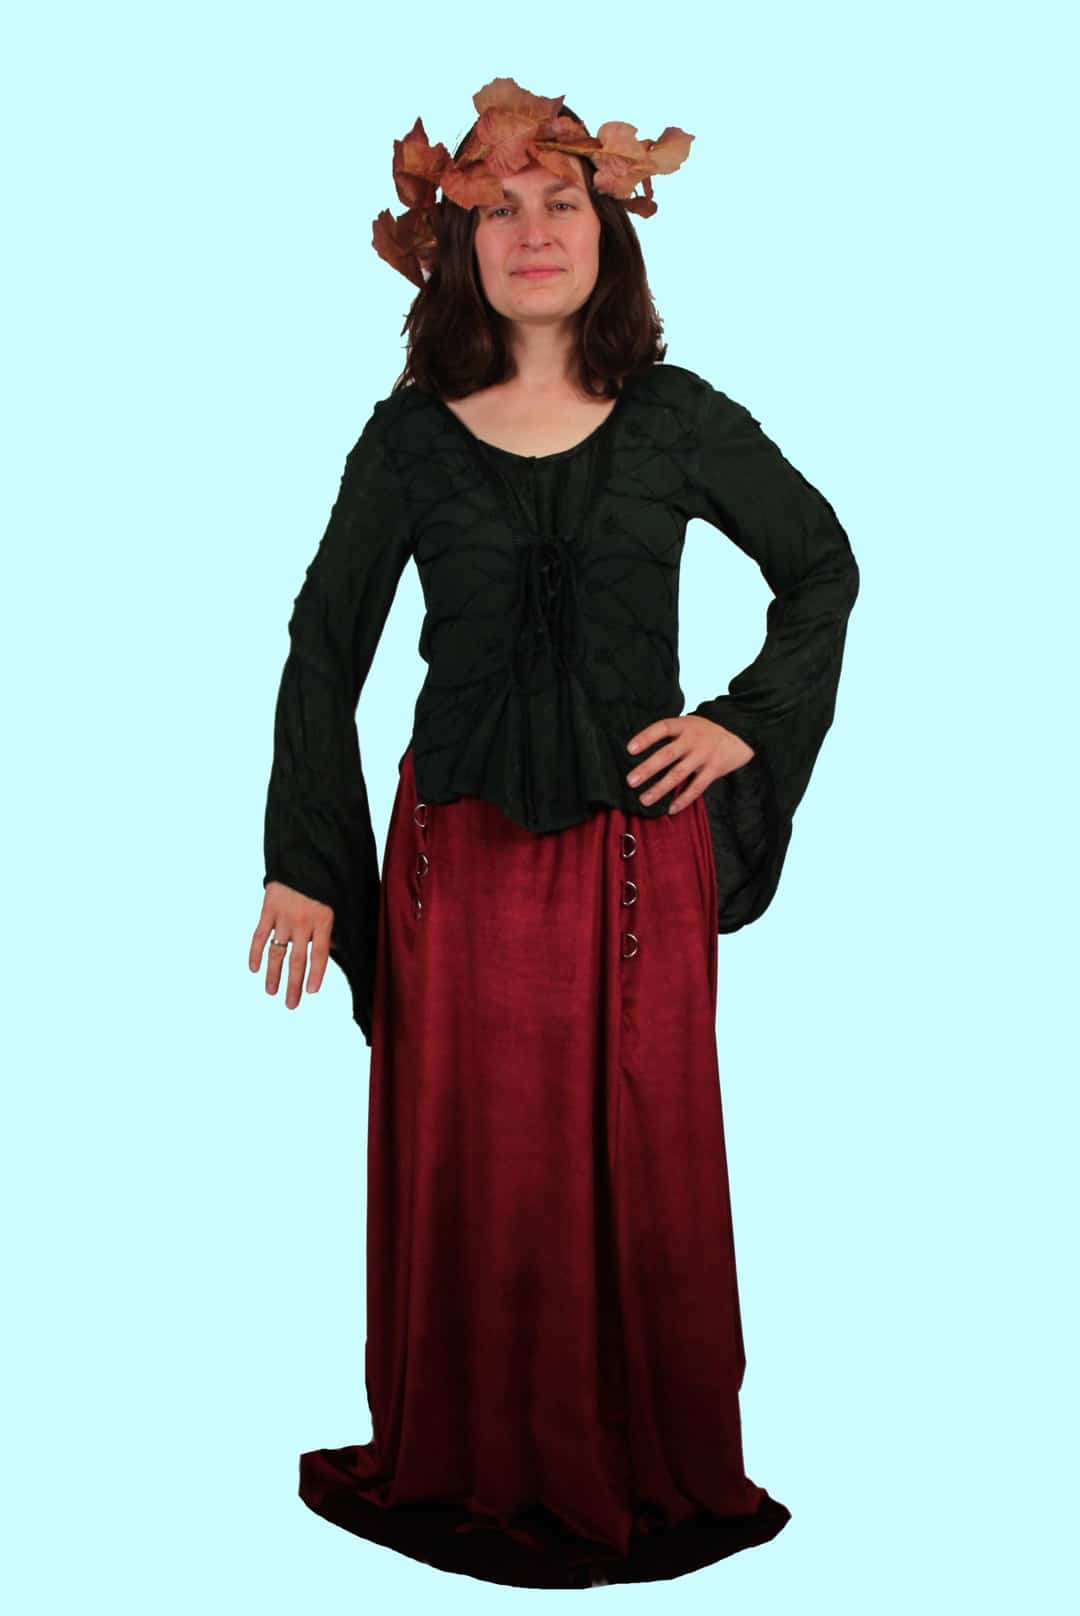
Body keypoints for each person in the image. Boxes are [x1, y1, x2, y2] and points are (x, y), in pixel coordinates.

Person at [249, 78, 859, 1590]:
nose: (534, 232)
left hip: (636, 867)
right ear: (456, 247)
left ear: (607, 230)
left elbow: (821, 566)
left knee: (643, 1149)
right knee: (476, 1160)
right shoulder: (408, 439)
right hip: (453, 872)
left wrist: (744, 722)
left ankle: (633, 1461)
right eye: (501, 209)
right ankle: (468, 1457)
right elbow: (324, 648)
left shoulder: (678, 419)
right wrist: (308, 863)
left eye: (562, 202)